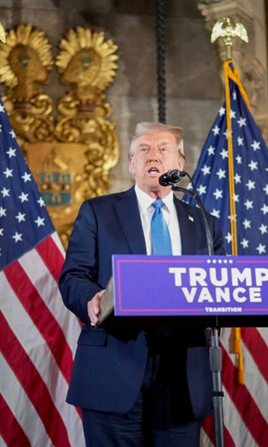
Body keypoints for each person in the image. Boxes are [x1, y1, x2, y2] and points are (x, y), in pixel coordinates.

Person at [59, 122, 225, 446]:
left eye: (164, 149)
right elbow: (73, 276)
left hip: (182, 374)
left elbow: (218, 284)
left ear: (180, 165)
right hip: (114, 365)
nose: (154, 156)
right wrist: (92, 298)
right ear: (132, 165)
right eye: (144, 150)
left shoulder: (205, 223)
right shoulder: (98, 211)